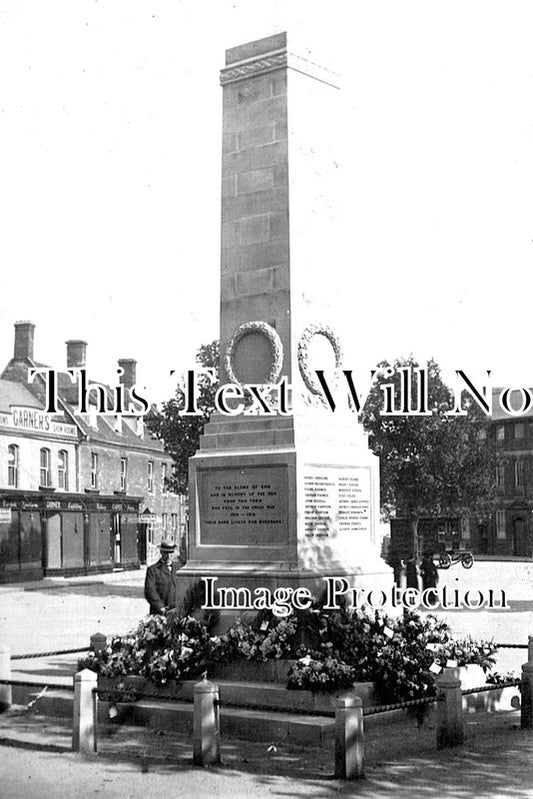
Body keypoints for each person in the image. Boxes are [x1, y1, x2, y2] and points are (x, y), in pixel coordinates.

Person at [144, 540, 180, 615]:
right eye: (166, 553)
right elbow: (150, 591)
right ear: (161, 552)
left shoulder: (179, 569)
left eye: (171, 552)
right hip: (159, 613)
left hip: (177, 611)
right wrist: (160, 607)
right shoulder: (153, 570)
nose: (168, 556)